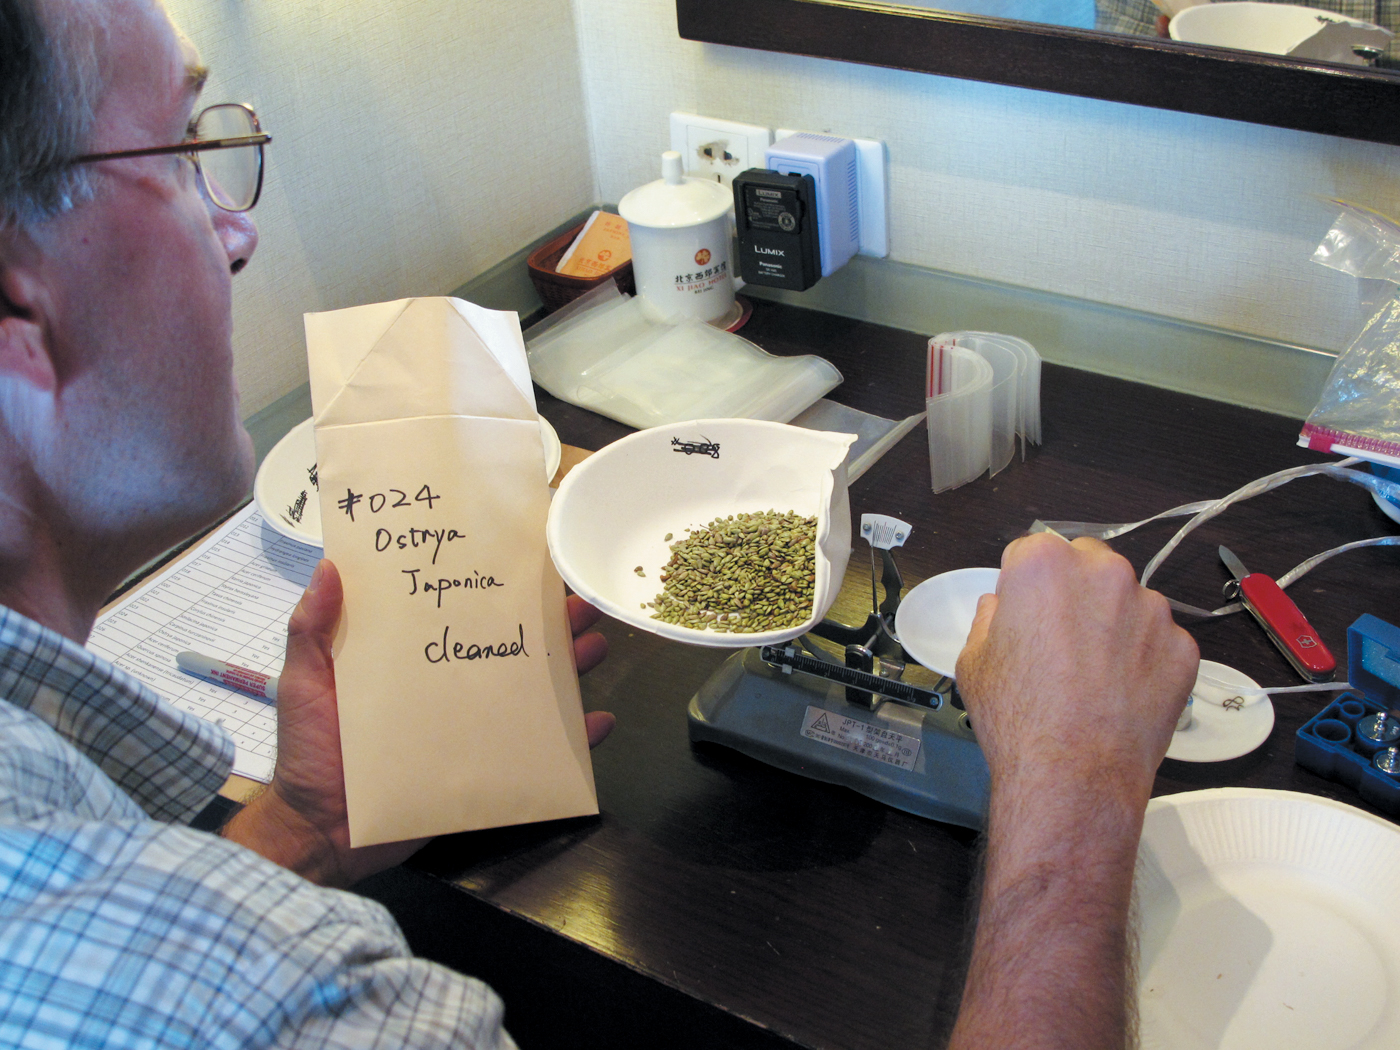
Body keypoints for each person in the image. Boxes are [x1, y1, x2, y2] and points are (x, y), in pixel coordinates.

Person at [0, 0, 1197, 1047]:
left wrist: (301, 828)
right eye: (181, 151)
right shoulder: (286, 1006)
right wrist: (1072, 794)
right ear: (17, 297)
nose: (239, 229)